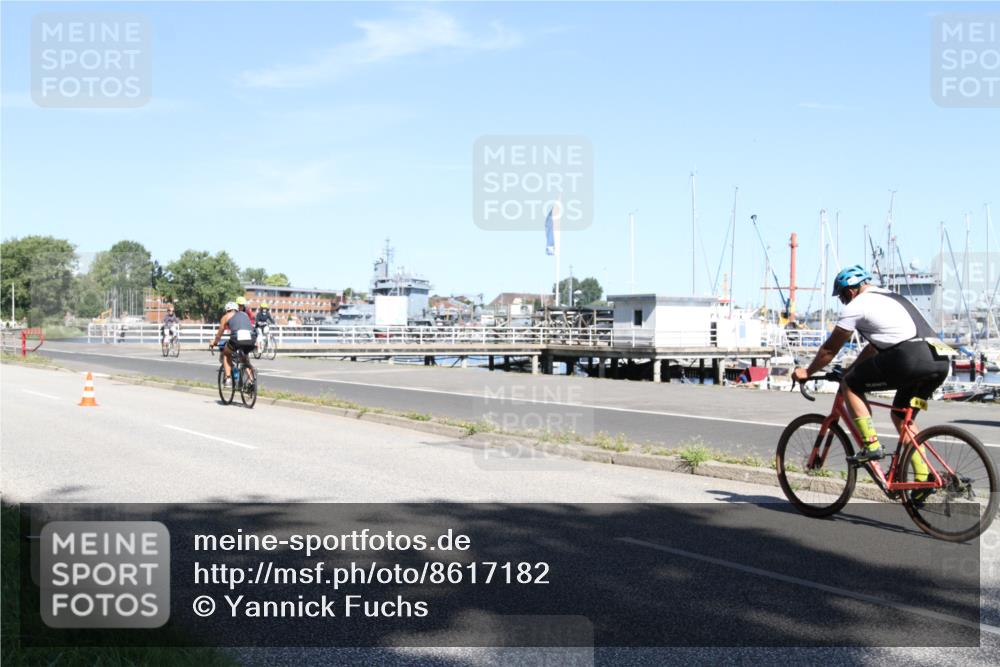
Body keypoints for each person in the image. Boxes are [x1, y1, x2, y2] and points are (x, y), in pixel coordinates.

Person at [792, 265, 952, 501]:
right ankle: (921, 478)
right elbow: (874, 347)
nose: (845, 302)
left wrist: (807, 371)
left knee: (850, 385)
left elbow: (829, 349)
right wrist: (853, 368)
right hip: (939, 360)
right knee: (901, 417)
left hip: (909, 358)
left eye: (844, 296)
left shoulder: (858, 305)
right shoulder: (892, 297)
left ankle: (871, 446)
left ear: (852, 290)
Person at [210, 301, 256, 384]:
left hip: (237, 339)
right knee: (244, 360)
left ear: (227, 310)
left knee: (226, 353)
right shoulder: (244, 315)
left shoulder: (226, 316)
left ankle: (227, 379)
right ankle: (251, 381)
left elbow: (220, 333)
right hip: (251, 338)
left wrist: (215, 342)